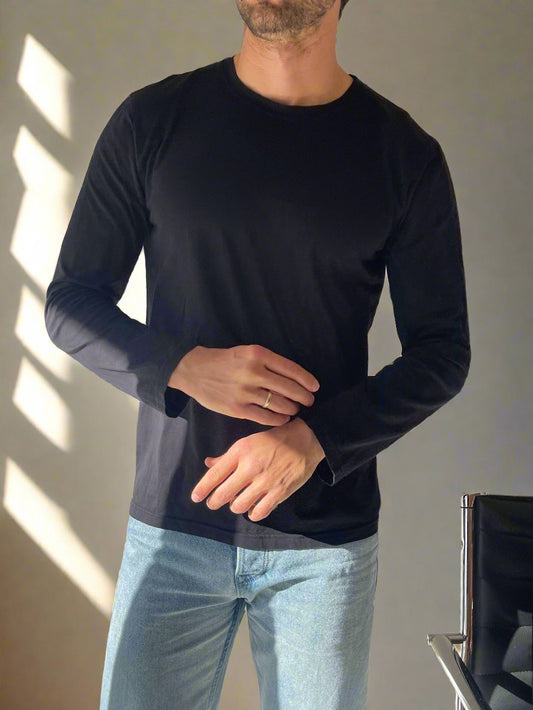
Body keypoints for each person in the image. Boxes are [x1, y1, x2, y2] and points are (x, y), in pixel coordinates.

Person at [44, 0, 471, 708]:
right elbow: (70, 304)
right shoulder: (152, 121)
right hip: (172, 528)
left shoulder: (404, 155)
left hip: (322, 549)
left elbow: (442, 351)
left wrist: (316, 439)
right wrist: (184, 367)